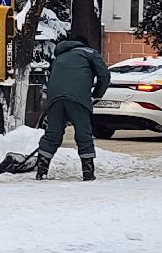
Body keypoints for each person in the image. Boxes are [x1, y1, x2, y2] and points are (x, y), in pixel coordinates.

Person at [35, 33, 111, 182]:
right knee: (83, 134)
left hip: (55, 98)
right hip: (78, 98)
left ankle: (41, 170)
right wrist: (96, 95)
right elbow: (104, 76)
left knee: (52, 134)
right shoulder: (90, 53)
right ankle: (88, 172)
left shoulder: (60, 56)